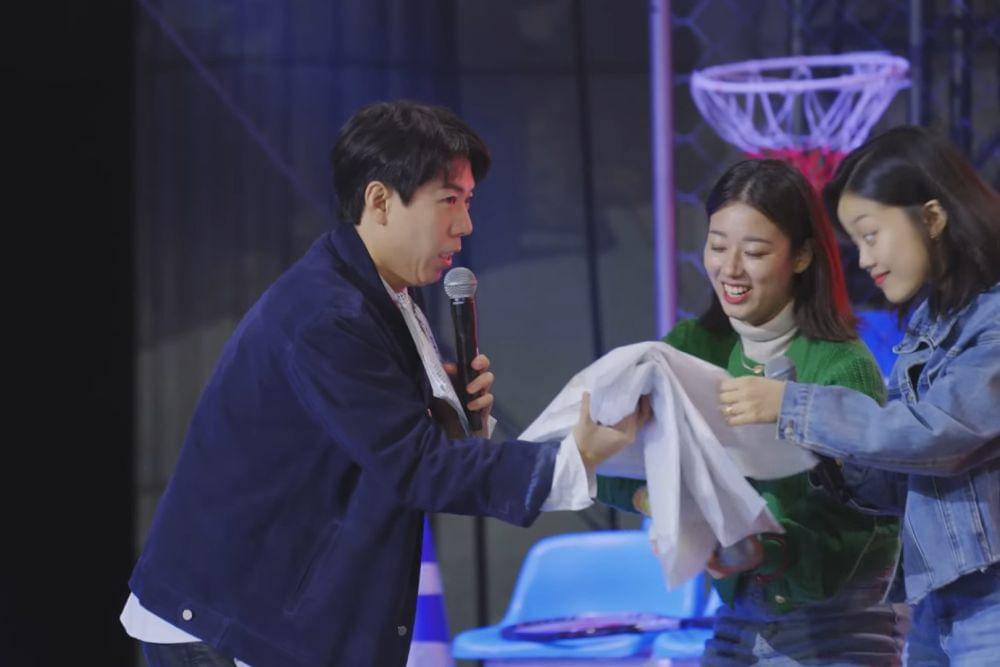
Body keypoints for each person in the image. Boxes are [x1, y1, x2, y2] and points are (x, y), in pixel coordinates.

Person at [121, 100, 649, 667]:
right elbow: (415, 466)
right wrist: (570, 458)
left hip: (267, 611)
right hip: (224, 621)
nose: (465, 225)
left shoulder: (379, 291)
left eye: (468, 201)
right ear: (379, 201)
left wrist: (445, 416)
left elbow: (385, 445)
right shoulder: (330, 315)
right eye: (448, 200)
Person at [598, 159, 906, 664]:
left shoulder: (843, 366)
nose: (730, 268)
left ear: (802, 255)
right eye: (717, 246)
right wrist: (662, 503)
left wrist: (764, 547)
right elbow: (610, 460)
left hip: (838, 622)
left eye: (756, 252)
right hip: (740, 615)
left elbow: (866, 523)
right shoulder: (694, 346)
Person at [719, 126, 1000, 664]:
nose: (865, 260)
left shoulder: (992, 323)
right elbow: (902, 481)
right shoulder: (932, 323)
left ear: (932, 218)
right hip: (939, 602)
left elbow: (937, 436)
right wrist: (817, 455)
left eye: (871, 235)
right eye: (855, 243)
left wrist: (793, 407)